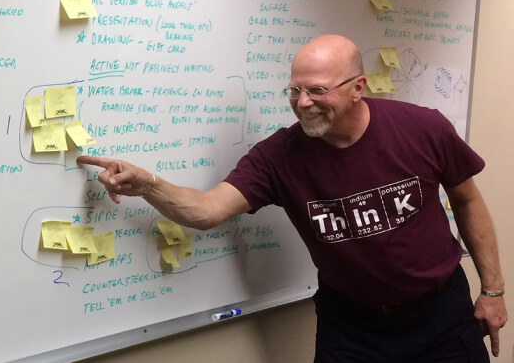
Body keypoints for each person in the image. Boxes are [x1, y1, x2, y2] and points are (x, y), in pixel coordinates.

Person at [76, 35, 507, 362]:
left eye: (317, 91)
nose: (302, 104)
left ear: (358, 87)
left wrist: (492, 290)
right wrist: (149, 184)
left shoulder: (422, 129)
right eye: (294, 91)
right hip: (352, 325)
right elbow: (207, 211)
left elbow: (467, 200)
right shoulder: (279, 156)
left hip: (440, 314)